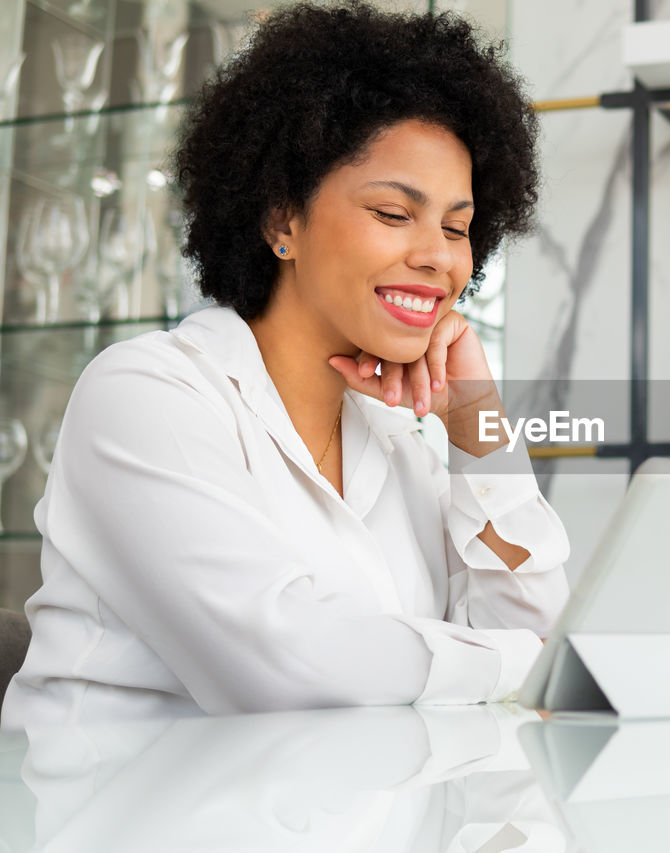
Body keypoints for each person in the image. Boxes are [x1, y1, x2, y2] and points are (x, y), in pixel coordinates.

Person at [1, 1, 568, 728]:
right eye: (395, 214)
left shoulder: (406, 448)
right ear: (281, 221)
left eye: (458, 227)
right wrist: (518, 663)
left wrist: (475, 418)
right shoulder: (144, 396)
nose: (437, 256)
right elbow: (289, 670)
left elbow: (532, 622)